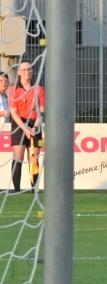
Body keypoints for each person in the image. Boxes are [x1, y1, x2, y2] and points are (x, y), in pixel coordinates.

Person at [8, 61, 45, 192]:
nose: (26, 72)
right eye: (23, 70)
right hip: (19, 125)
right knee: (18, 157)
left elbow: (41, 112)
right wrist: (25, 128)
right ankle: (17, 189)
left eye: (29, 69)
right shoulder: (13, 91)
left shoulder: (39, 89)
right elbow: (14, 113)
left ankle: (33, 188)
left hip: (35, 124)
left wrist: (34, 128)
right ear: (18, 72)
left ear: (32, 71)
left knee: (34, 157)